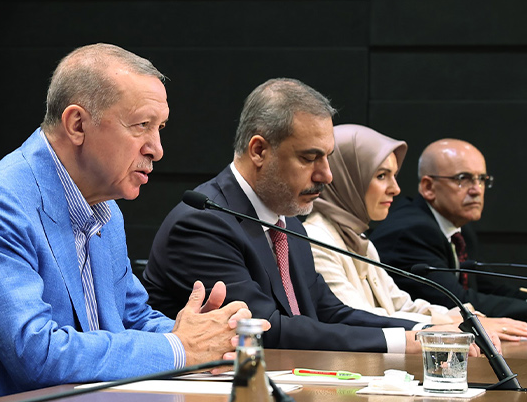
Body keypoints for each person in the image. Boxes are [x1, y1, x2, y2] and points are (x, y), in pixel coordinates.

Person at [0, 43, 253, 402]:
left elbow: (132, 319)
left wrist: (205, 335)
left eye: (159, 128)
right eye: (141, 126)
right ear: (77, 124)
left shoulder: (105, 211)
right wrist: (180, 348)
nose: (157, 149)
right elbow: (37, 354)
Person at [143, 78, 443, 353]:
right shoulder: (203, 222)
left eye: (328, 157)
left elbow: (329, 312)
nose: (326, 175)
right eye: (309, 158)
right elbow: (263, 330)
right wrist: (401, 343)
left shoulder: (289, 224)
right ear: (259, 150)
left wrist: (426, 331)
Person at [306, 125, 527, 342]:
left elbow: (401, 305)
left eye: (394, 176)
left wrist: (466, 318)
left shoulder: (359, 240)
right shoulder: (316, 240)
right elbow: (358, 318)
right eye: (381, 176)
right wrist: (452, 327)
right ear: (345, 178)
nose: (395, 188)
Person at [369, 139, 527, 326]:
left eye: (482, 179)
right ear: (428, 187)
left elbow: (487, 286)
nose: (477, 190)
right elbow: (455, 301)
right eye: (463, 179)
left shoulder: (458, 230)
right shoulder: (411, 231)